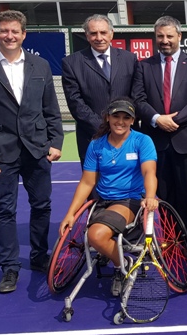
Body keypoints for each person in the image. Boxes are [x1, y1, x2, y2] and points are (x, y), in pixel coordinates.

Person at [0, 10, 64, 293]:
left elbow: (51, 109)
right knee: (4, 210)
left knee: (42, 205)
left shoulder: (39, 65)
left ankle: (39, 256)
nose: (9, 36)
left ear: (23, 34)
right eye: (4, 31)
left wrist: (56, 142)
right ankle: (9, 268)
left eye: (15, 31)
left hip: (37, 150)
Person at [58, 98, 158, 296]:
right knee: (95, 235)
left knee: (95, 235)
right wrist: (71, 214)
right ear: (107, 118)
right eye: (116, 116)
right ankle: (121, 258)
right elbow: (87, 182)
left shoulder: (142, 141)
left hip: (130, 201)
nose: (120, 121)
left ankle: (122, 264)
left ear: (132, 120)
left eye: (126, 117)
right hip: (102, 202)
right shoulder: (96, 146)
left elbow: (149, 173)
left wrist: (151, 196)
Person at [131, 16, 187, 244]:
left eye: (169, 36)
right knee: (161, 195)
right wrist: (156, 119)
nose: (165, 41)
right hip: (154, 142)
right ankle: (168, 238)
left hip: (185, 141)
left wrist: (173, 120)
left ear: (179, 37)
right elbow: (138, 98)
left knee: (186, 194)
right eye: (160, 36)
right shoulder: (144, 66)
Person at [62, 14, 139, 164]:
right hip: (92, 137)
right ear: (87, 35)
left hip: (127, 137)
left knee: (128, 184)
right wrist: (104, 127)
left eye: (103, 32)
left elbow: (136, 95)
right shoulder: (71, 63)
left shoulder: (129, 59)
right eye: (93, 33)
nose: (99, 38)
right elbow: (75, 102)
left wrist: (121, 124)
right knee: (94, 186)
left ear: (111, 33)